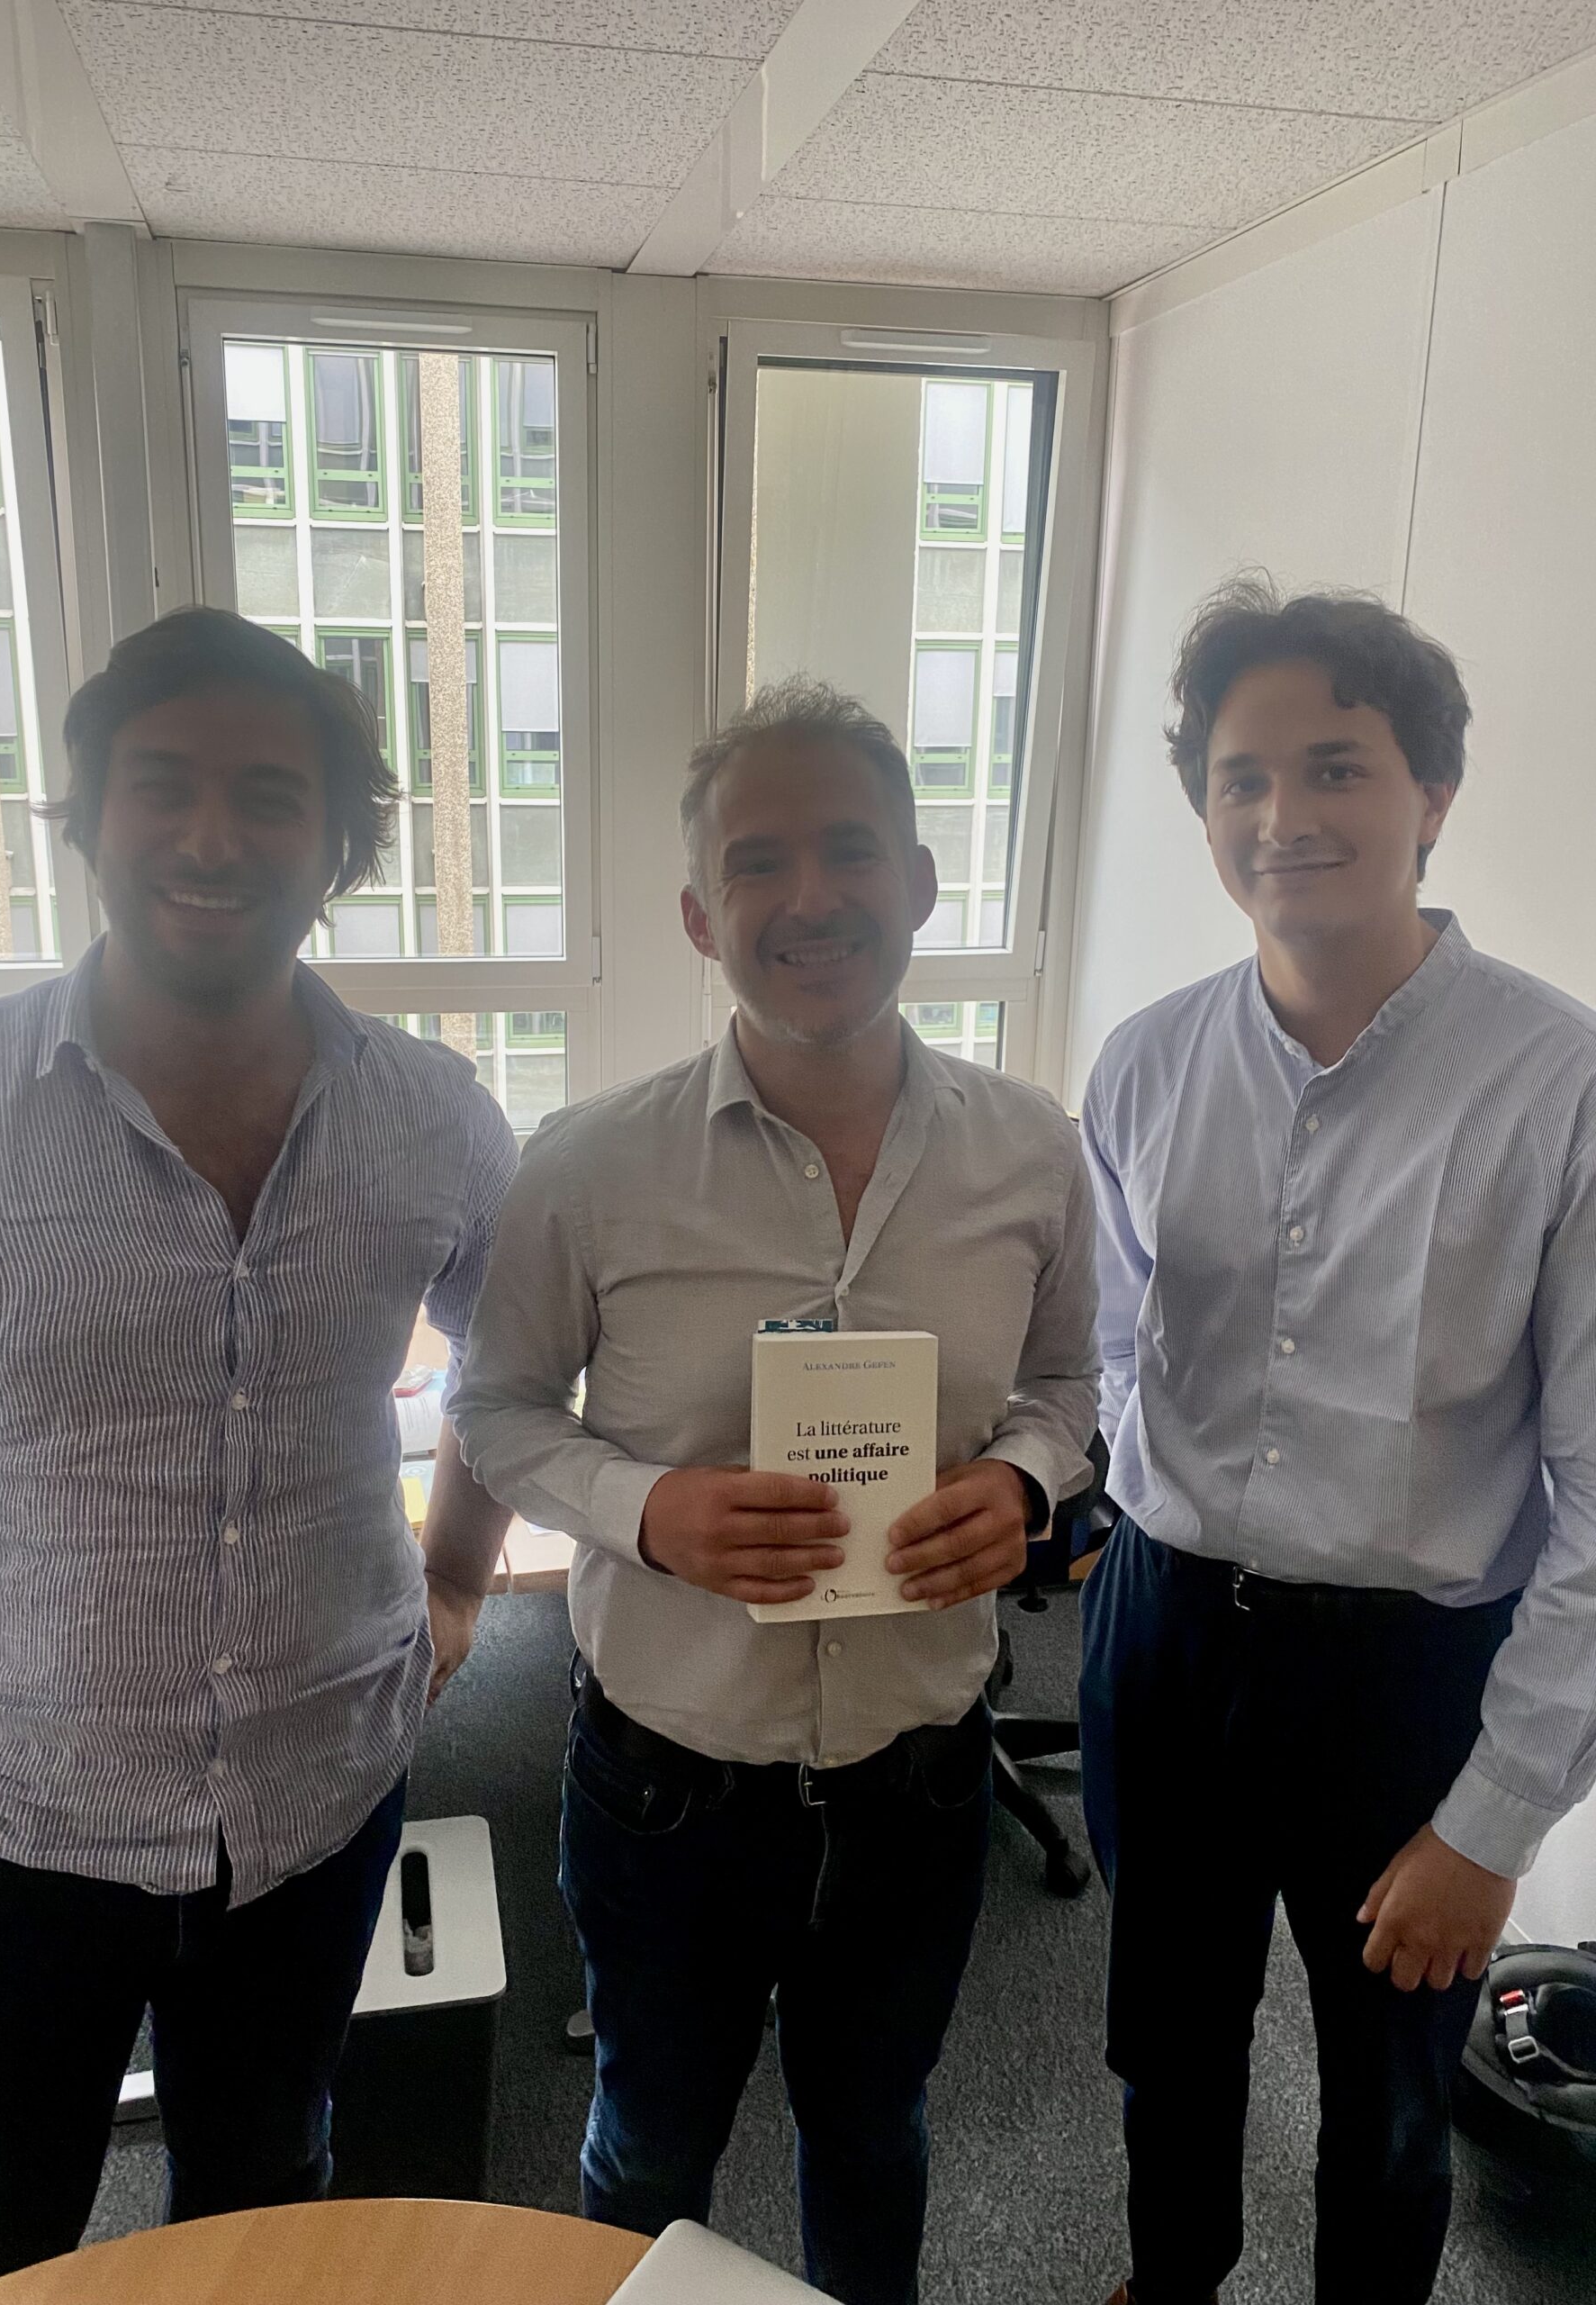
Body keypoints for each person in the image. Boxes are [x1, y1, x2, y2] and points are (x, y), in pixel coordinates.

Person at [0, 609, 517, 2305]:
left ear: (337, 842)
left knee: (269, 2220)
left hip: (314, 1804)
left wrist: (455, 1579)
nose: (213, 837)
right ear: (87, 815)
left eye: (269, 795)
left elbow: (516, 1361)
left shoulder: (433, 1116)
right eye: (163, 785)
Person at [452, 676, 1098, 2305]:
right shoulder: (587, 1164)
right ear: (699, 913)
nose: (811, 896)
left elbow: (1075, 1388)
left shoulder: (1033, 1151)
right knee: (648, 2147)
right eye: (758, 862)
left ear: (920, 883)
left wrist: (1025, 1482)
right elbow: (497, 1412)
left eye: (850, 850)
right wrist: (646, 1511)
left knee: (873, 2137)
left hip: (918, 1782)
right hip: (669, 1788)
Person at [1077, 579, 1596, 2305]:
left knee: (1388, 2097)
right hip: (1165, 1637)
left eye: (1337, 768)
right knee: (1166, 2043)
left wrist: (1495, 1821)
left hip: (1407, 1677)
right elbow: (1113, 1340)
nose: (1282, 815)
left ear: (1432, 795)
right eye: (1241, 777)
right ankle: (1173, 2287)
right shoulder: (1146, 1064)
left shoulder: (1559, 1086)